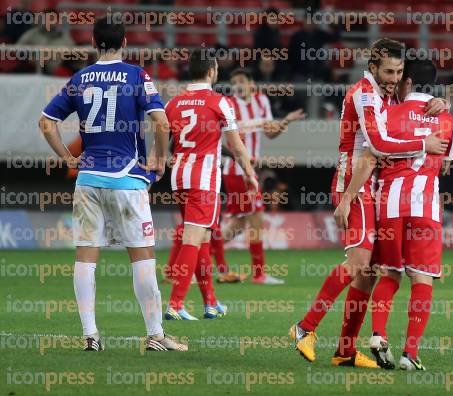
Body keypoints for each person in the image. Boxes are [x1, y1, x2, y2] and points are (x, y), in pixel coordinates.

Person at [289, 38, 450, 367]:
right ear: (373, 68)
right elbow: (375, 144)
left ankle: (345, 351)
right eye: (388, 71)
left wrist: (440, 102)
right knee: (359, 265)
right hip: (356, 183)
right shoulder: (364, 94)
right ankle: (304, 328)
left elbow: (406, 114)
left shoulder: (388, 96)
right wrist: (346, 198)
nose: (393, 78)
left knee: (368, 275)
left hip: (377, 189)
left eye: (399, 71)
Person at [39, 17, 186, 351]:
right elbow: (161, 123)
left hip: (88, 180)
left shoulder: (80, 77)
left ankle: (90, 336)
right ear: (124, 42)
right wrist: (160, 160)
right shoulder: (137, 75)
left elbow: (46, 124)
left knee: (85, 258)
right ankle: (156, 335)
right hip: (126, 178)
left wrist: (68, 158)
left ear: (93, 41)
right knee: (142, 257)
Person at [335, 59, 453, 370]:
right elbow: (445, 164)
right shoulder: (447, 119)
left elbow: (375, 149)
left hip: (388, 202)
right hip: (425, 202)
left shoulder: (388, 111)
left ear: (409, 81)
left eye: (401, 76)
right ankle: (409, 354)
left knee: (389, 272)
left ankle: (378, 333)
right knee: (422, 277)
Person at [164, 51, 259, 320]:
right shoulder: (220, 101)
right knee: (193, 239)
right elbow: (236, 145)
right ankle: (176, 304)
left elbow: (164, 138)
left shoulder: (174, 102)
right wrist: (250, 172)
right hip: (203, 179)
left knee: (203, 237)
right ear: (211, 72)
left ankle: (210, 303)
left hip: (179, 176)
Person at [212, 68, 305, 285]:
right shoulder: (228, 104)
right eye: (235, 82)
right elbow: (224, 139)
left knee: (240, 223)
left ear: (251, 83)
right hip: (236, 170)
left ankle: (202, 255)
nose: (238, 85)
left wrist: (286, 121)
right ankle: (259, 274)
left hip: (248, 172)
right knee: (255, 219)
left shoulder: (261, 101)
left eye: (242, 80)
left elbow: (270, 132)